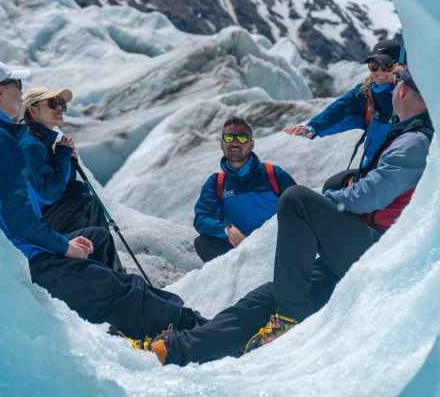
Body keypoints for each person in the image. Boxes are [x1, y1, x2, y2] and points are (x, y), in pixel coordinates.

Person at [133, 66, 433, 366]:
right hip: (353, 249)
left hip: (377, 249)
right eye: (229, 139)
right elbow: (203, 218)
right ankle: (176, 348)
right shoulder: (408, 136)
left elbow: (369, 197)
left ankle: (291, 316)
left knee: (296, 201)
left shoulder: (413, 142)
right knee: (267, 296)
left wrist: (329, 198)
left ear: (402, 91)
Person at [0, 60, 204, 339]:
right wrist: (63, 245)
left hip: (28, 244)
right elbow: (23, 213)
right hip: (29, 256)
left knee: (97, 239)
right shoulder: (2, 140)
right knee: (123, 290)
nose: (19, 90)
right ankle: (193, 329)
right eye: (16, 84)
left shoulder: (2, 136)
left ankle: (140, 304)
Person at [284, 39, 406, 170]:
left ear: (401, 67)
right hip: (373, 167)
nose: (379, 71)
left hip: (405, 170)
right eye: (374, 65)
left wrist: (407, 82)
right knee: (333, 185)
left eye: (386, 66)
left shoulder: (413, 95)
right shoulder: (366, 93)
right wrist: (312, 128)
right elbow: (339, 110)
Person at [193, 117, 296, 262]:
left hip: (278, 246)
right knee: (204, 243)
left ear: (251, 144)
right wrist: (227, 229)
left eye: (241, 138)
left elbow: (300, 207)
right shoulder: (217, 183)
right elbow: (201, 219)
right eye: (229, 138)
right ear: (222, 144)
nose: (235, 142)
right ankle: (234, 282)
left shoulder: (273, 174)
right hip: (241, 251)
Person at [19, 87, 109, 235]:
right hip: (34, 223)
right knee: (85, 200)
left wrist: (67, 160)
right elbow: (48, 195)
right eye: (52, 102)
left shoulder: (41, 143)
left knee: (79, 192)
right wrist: (62, 155)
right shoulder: (30, 145)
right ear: (33, 110)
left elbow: (64, 188)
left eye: (61, 103)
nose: (59, 107)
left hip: (42, 217)